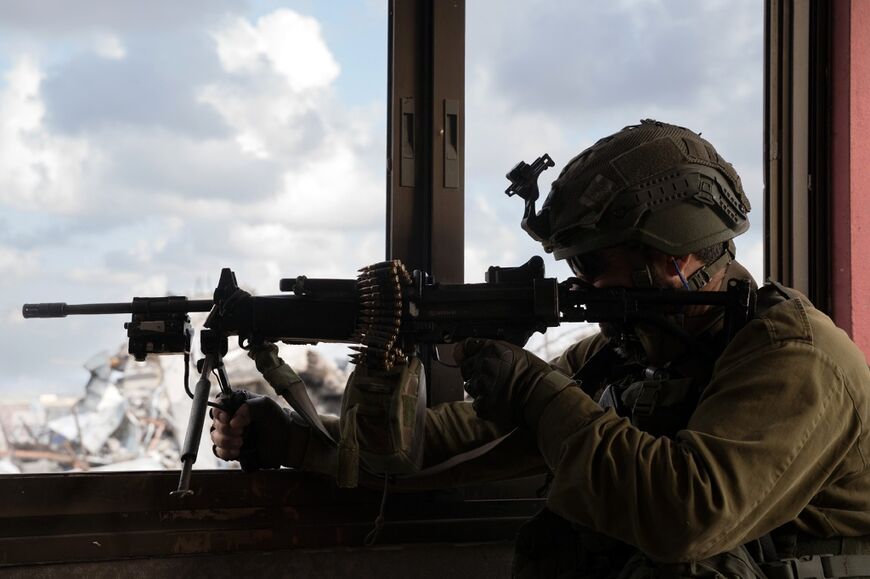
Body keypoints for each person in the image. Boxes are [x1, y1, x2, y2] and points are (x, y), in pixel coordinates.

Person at [211, 120, 870, 578]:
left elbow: (685, 513)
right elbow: (463, 437)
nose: (582, 284)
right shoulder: (632, 354)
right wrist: (297, 440)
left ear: (677, 257)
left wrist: (530, 387)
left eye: (596, 264)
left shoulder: (797, 358)